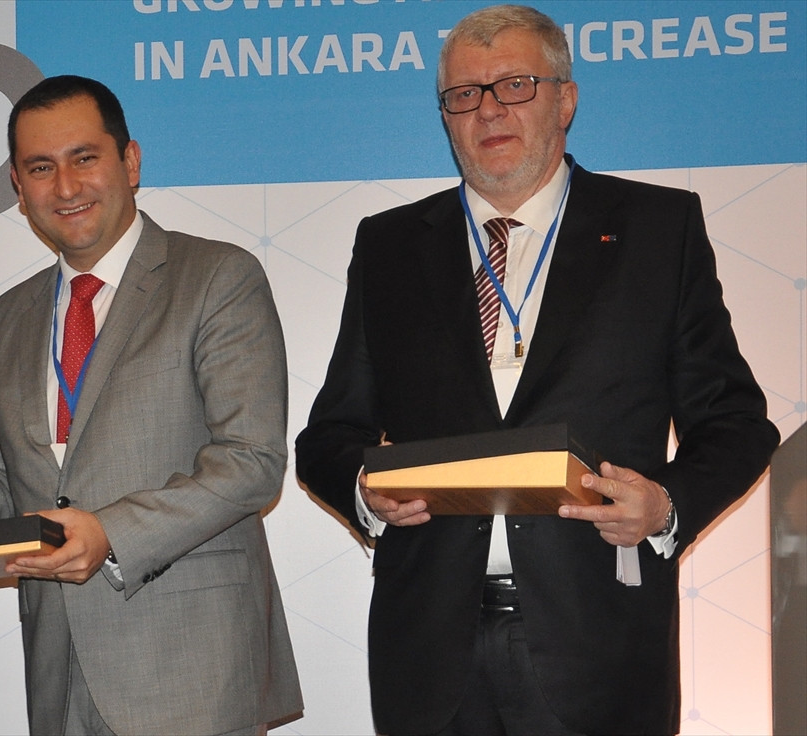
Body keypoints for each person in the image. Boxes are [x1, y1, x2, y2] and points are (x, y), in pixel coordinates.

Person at [295, 5, 780, 735]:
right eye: (465, 94)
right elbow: (328, 436)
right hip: (429, 651)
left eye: (515, 85)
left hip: (600, 642)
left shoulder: (659, 229)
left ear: (566, 100)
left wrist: (665, 508)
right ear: (446, 115)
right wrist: (367, 493)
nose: (489, 109)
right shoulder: (390, 245)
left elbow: (737, 424)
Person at [0, 74, 302, 735]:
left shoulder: (217, 278)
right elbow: (9, 486)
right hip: (59, 676)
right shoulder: (3, 320)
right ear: (18, 187)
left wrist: (111, 533)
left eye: (84, 158)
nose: (65, 187)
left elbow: (252, 461)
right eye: (41, 167)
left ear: (131, 161)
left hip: (193, 671)